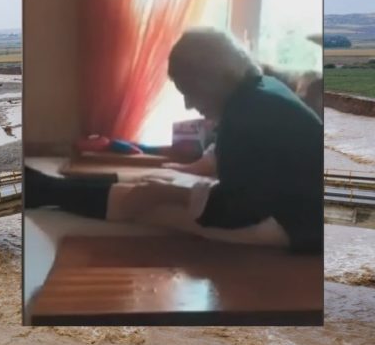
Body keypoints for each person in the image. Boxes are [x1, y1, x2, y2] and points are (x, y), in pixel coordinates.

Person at [25, 27, 323, 254]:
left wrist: (169, 196)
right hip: (290, 209)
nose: (188, 105)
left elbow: (234, 212)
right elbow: (233, 159)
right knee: (155, 185)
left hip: (292, 226)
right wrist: (181, 178)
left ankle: (50, 192)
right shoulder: (260, 90)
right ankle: (52, 189)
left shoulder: (246, 115)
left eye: (188, 91)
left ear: (211, 79)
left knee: (154, 206)